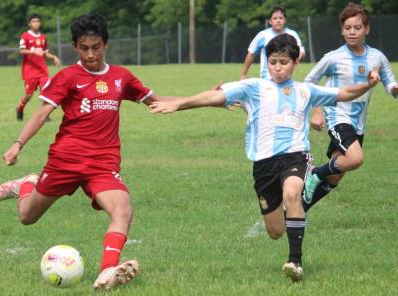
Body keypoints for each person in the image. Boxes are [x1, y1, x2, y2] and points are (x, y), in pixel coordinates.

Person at [149, 33, 381, 282]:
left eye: (283, 62)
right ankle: (294, 211)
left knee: (292, 193)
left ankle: (295, 262)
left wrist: (367, 85)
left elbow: (345, 93)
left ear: (295, 63)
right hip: (264, 166)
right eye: (272, 62)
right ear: (266, 62)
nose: (278, 68)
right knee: (274, 231)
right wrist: (179, 104)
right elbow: (212, 97)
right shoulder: (254, 87)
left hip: (295, 157)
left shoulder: (306, 91)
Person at [0, 13, 172, 290]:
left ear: (106, 44)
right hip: (65, 161)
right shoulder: (68, 77)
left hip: (103, 164)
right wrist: (18, 144)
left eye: (96, 47)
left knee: (123, 210)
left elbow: (157, 101)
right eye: (84, 48)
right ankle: (28, 184)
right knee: (27, 217)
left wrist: (203, 100)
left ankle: (107, 272)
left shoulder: (121, 77)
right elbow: (42, 113)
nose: (90, 54)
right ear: (75, 47)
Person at [302, 2, 398, 211]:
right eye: (348, 28)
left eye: (357, 27)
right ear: (342, 30)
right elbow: (309, 83)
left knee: (335, 176)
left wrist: (394, 89)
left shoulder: (377, 57)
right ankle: (315, 172)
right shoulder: (333, 57)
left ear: (367, 29)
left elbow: (390, 82)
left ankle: (298, 210)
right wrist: (317, 111)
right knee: (355, 159)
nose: (352, 32)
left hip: (358, 123)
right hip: (337, 116)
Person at [240, 5, 305, 80]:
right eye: (275, 18)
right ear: (270, 21)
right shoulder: (262, 35)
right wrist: (243, 75)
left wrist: (300, 55)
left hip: (286, 79)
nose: (278, 20)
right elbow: (251, 54)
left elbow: (301, 52)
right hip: (267, 79)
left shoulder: (293, 34)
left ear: (285, 20)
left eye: (281, 18)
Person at [16, 13, 61, 121]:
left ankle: (45, 115)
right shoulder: (25, 36)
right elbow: (21, 50)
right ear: (29, 24)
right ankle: (20, 109)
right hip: (30, 71)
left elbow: (44, 53)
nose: (36, 23)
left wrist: (54, 57)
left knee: (46, 91)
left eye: (38, 21)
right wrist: (34, 51)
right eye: (33, 21)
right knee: (28, 95)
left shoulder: (43, 37)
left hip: (42, 70)